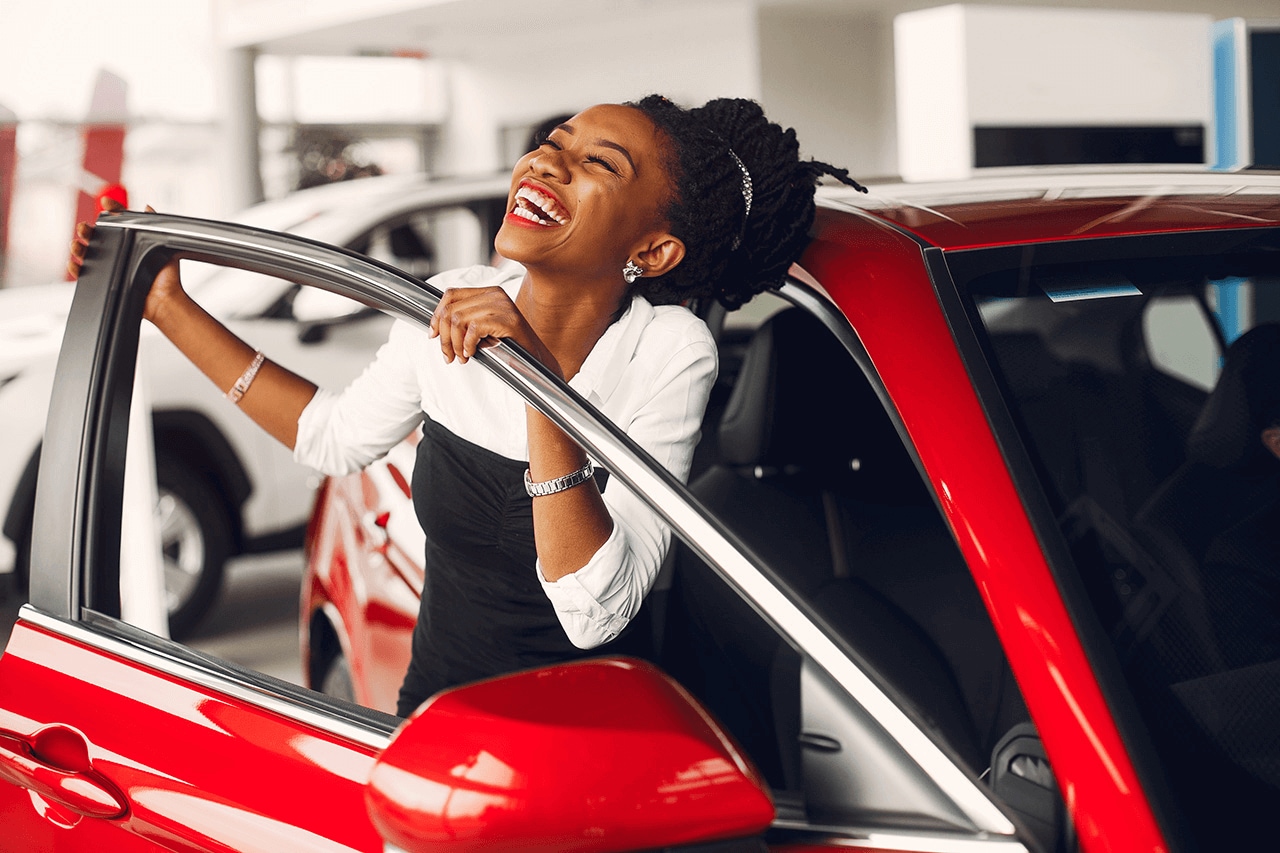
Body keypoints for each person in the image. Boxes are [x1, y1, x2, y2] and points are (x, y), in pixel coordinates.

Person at [70, 96, 864, 717]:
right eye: (553, 143)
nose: (547, 165)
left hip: (593, 747)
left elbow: (597, 612)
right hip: (438, 722)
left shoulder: (670, 351)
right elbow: (333, 437)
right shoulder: (449, 299)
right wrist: (167, 305)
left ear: (651, 252)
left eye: (599, 164)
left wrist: (533, 377)